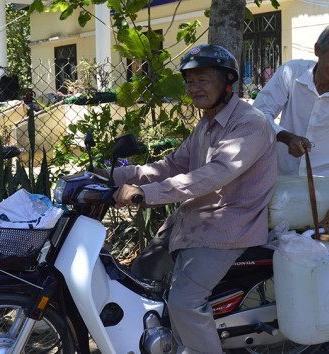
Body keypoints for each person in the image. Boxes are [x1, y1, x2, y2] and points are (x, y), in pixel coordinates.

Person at [107, 44, 277, 353]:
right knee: (140, 277)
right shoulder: (207, 123)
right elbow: (172, 165)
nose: (193, 88)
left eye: (203, 80)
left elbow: (215, 173)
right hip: (193, 221)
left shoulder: (249, 123)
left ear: (227, 82)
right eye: (190, 81)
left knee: (185, 300)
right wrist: (116, 176)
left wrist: (147, 194)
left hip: (227, 226)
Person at [252, 22, 329, 230]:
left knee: (325, 256)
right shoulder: (291, 73)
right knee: (277, 251)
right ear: (318, 50)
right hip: (282, 183)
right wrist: (285, 136)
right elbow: (258, 115)